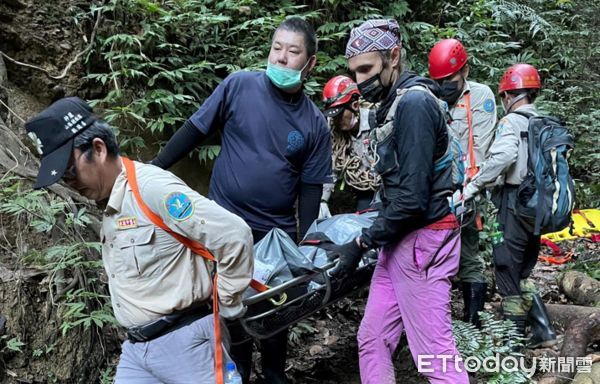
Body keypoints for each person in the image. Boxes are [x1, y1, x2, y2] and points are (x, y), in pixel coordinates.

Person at [151, 16, 332, 384]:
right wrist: (152, 169)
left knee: (275, 316)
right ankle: (239, 372)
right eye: (276, 48)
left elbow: (310, 191)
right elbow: (195, 130)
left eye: (293, 51)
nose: (281, 58)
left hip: (274, 237)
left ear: (310, 63)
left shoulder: (314, 123)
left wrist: (305, 245)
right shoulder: (239, 86)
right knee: (231, 313)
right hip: (224, 228)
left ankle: (274, 374)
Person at [25, 97, 254, 383]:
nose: (68, 183)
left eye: (69, 172)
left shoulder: (151, 188)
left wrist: (230, 301)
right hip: (137, 350)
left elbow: (234, 234)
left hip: (187, 345)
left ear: (98, 149)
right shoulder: (110, 204)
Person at [327, 19, 469, 383]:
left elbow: (413, 198)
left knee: (434, 356)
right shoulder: (391, 104)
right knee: (371, 337)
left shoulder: (416, 104)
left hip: (423, 240)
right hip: (398, 242)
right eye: (354, 72)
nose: (360, 81)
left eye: (366, 70)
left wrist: (362, 241)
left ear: (393, 56)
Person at [462, 63, 557, 347]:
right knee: (524, 270)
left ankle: (512, 343)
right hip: (538, 205)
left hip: (514, 202)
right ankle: (543, 331)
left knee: (505, 270)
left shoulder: (511, 122)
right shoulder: (544, 122)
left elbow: (503, 158)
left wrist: (474, 185)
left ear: (507, 96)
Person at [428, 38, 497, 328]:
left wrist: (467, 190)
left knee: (468, 253)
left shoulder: (480, 97)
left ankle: (472, 322)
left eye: (450, 79)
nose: (445, 85)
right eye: (440, 80)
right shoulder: (429, 98)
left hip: (468, 189)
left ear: (465, 71)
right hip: (436, 189)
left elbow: (481, 148)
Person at [320, 75, 379, 217]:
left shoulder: (377, 122)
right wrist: (323, 200)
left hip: (385, 188)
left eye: (340, 115)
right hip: (362, 189)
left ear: (355, 106)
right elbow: (332, 166)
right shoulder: (333, 128)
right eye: (333, 116)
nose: (336, 120)